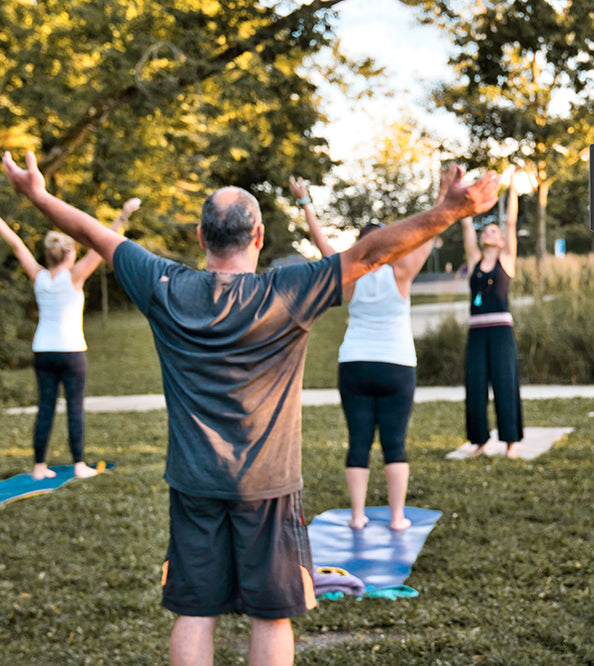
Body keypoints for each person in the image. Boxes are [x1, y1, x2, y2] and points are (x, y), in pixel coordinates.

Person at [3, 150, 498, 666]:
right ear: (258, 237)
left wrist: (37, 194)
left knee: (194, 613)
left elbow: (93, 234)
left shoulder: (165, 286)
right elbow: (372, 254)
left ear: (201, 237)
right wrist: (449, 211)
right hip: (268, 488)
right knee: (271, 616)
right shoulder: (288, 292)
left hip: (194, 484)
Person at [289, 176, 434, 532]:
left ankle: (357, 517)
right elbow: (427, 235)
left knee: (358, 442)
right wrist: (445, 199)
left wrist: (305, 199)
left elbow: (321, 243)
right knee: (394, 444)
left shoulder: (349, 275)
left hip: (354, 363)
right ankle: (397, 517)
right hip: (397, 365)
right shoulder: (401, 272)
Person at [0, 199, 138, 480]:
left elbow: (16, 244)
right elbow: (103, 245)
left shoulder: (39, 276)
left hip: (43, 351)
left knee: (46, 408)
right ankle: (78, 465)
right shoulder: (75, 277)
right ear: (68, 255)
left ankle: (39, 467)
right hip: (72, 351)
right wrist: (123, 215)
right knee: (74, 407)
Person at [460, 174, 523, 458]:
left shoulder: (506, 261)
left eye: (494, 233)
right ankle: (480, 442)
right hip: (476, 333)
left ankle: (510, 444)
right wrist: (464, 193)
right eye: (487, 231)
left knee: (505, 385)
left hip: (500, 333)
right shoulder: (474, 260)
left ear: (500, 242)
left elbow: (511, 223)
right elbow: (465, 222)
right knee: (475, 387)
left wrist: (513, 187)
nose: (490, 233)